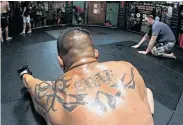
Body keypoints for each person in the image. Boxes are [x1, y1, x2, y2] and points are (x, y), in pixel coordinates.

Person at [17, 27, 154, 125]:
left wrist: (25, 75)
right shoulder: (127, 67)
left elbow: (33, 85)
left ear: (60, 61)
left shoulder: (55, 89)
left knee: (45, 106)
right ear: (96, 53)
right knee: (146, 92)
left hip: (51, 93)